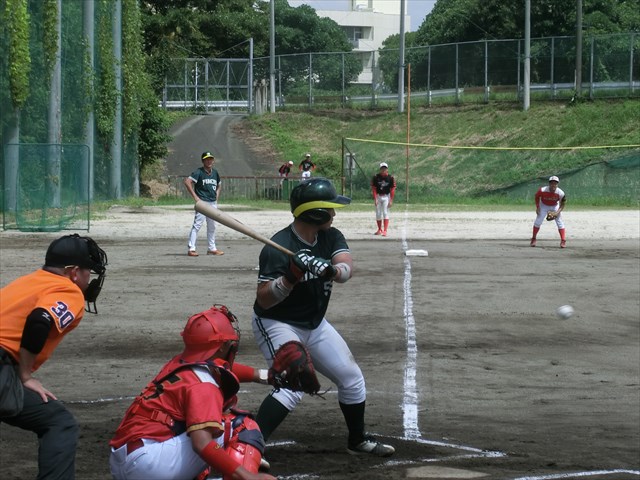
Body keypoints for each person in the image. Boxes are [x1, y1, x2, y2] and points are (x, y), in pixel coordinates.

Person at [251, 177, 396, 459]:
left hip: (314, 325)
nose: (334, 214)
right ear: (315, 213)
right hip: (277, 323)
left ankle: (357, 441)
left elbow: (346, 270)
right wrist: (291, 277)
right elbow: (264, 299)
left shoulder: (330, 236)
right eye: (329, 209)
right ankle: (248, 446)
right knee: (292, 386)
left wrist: (330, 270)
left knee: (351, 378)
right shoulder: (276, 247)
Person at [109, 305, 277, 480]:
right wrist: (248, 476)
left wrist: (264, 376)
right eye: (228, 342)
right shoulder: (204, 384)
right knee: (241, 426)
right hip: (150, 464)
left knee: (196, 425)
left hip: (125, 459)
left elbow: (222, 369)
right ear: (221, 347)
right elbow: (201, 443)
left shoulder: (178, 363)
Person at [0, 234, 108, 479]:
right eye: (88, 271)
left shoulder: (27, 282)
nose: (89, 278)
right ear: (74, 272)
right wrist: (25, 376)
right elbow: (39, 321)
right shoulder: (69, 290)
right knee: (60, 422)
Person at [184, 151, 224, 257]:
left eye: (210, 159)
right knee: (197, 225)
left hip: (212, 202)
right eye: (206, 159)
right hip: (202, 202)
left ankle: (212, 248)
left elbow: (219, 185)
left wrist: (217, 196)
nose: (209, 161)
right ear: (203, 161)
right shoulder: (199, 172)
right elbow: (187, 182)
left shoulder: (215, 173)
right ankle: (191, 248)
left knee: (212, 226)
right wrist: (196, 197)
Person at [530, 175, 567, 248]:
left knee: (560, 222)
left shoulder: (561, 193)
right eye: (552, 183)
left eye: (555, 183)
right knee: (538, 222)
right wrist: (538, 207)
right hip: (543, 205)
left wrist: (557, 213)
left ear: (557, 184)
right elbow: (537, 197)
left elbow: (562, 204)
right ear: (549, 184)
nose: (553, 185)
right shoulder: (542, 190)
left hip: (555, 206)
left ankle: (563, 240)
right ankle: (533, 238)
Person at [371, 162, 397, 236]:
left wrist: (391, 200)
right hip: (378, 196)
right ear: (380, 169)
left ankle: (385, 230)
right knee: (378, 213)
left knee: (385, 213)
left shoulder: (390, 178)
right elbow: (374, 188)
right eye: (382, 168)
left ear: (387, 169)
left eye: (385, 168)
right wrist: (375, 198)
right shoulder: (376, 177)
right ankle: (379, 229)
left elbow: (392, 189)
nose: (383, 170)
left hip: (386, 196)